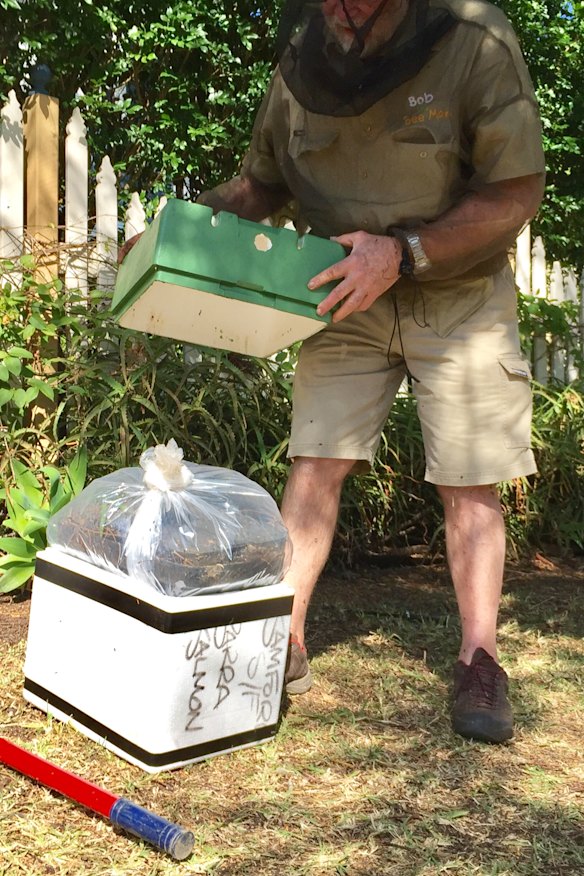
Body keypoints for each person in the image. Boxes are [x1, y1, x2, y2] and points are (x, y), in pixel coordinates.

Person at [121, 0, 546, 743]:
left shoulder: (475, 38)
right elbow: (258, 186)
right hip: (341, 289)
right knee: (315, 463)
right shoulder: (298, 62)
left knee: (467, 479)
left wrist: (406, 252)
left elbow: (516, 190)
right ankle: (280, 641)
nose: (344, 13)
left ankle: (480, 658)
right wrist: (170, 233)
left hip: (457, 290)